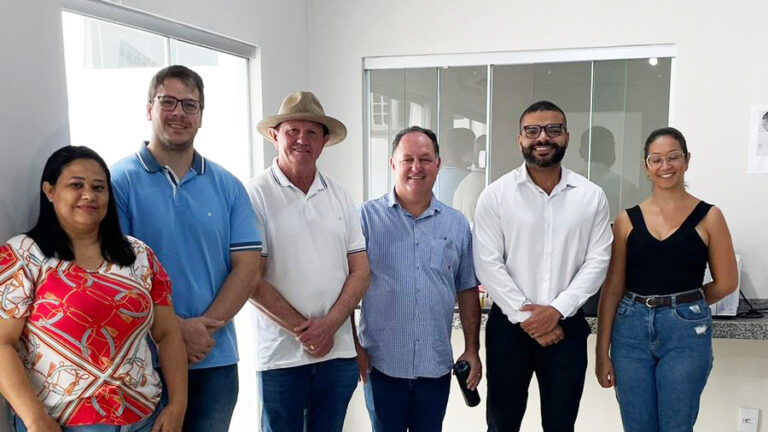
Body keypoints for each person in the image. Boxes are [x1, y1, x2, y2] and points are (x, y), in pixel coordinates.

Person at [111, 65, 262, 431]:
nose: (179, 112)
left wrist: (202, 331)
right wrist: (175, 331)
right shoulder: (118, 182)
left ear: (201, 116)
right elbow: (117, 273)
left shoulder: (228, 186)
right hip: (144, 360)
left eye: (190, 105)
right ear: (149, 109)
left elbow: (246, 268)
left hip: (214, 359)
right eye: (168, 101)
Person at [0, 146, 187, 432]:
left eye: (98, 187)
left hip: (143, 419)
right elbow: (3, 344)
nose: (89, 195)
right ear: (50, 191)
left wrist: (177, 406)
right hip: (59, 423)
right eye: (76, 185)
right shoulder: (23, 256)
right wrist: (35, 420)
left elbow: (168, 333)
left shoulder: (139, 255)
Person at [473, 100, 613, 432]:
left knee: (561, 425)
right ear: (519, 138)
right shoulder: (495, 196)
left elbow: (597, 262)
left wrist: (557, 310)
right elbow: (488, 263)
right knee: (502, 423)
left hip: (567, 328)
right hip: (508, 329)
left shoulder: (591, 196)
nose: (543, 138)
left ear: (566, 136)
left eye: (553, 129)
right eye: (532, 131)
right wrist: (528, 317)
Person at [595, 127, 738, 432]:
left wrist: (682, 305)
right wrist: (601, 353)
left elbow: (726, 282)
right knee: (637, 426)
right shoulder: (625, 220)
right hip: (630, 332)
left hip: (685, 334)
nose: (665, 166)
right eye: (656, 159)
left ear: (686, 160)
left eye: (673, 157)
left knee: (676, 426)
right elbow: (612, 291)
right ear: (646, 167)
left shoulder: (709, 216)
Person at [246, 91, 370, 432]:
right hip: (281, 356)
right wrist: (307, 333)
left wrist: (329, 326)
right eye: (292, 131)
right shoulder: (254, 195)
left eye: (312, 132)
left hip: (339, 354)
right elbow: (251, 280)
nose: (302, 140)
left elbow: (360, 272)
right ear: (275, 135)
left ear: (325, 141)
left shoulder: (340, 195)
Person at [356, 126, 481, 432]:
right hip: (381, 366)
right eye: (408, 159)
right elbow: (346, 284)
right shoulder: (366, 219)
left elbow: (466, 289)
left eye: (425, 159)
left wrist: (472, 349)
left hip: (435, 366)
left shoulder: (456, 224)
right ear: (393, 164)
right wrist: (354, 347)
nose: (416, 167)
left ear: (438, 164)